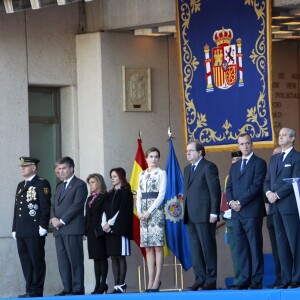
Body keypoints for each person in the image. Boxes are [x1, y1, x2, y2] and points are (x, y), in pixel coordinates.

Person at [226, 133, 267, 290]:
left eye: (247, 143)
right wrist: (231, 202)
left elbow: (256, 186)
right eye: (241, 144)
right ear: (238, 146)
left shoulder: (259, 163)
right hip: (236, 214)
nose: (244, 146)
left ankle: (256, 280)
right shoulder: (235, 165)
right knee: (241, 247)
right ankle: (244, 279)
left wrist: (240, 202)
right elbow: (229, 187)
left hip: (251, 212)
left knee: (254, 246)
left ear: (252, 144)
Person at [264, 127, 300, 289]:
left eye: (284, 135)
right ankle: (285, 279)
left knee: (295, 242)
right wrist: (268, 193)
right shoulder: (274, 159)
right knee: (281, 244)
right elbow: (266, 181)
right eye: (279, 135)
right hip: (275, 208)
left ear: (292, 139)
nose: (280, 137)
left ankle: (297, 277)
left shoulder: (297, 157)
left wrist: (277, 194)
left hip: (289, 206)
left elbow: (295, 180)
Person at [183, 141, 221, 291]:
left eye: (191, 151)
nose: (188, 153)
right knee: (195, 248)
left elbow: (215, 191)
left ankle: (211, 279)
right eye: (187, 151)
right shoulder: (187, 169)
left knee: (208, 247)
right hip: (190, 214)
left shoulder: (208, 167)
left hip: (205, 214)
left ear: (200, 152)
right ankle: (199, 278)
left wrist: (214, 212)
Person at [12, 157, 51, 298]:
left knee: (37, 260)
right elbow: (17, 209)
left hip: (35, 229)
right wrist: (14, 227)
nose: (22, 168)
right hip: (22, 230)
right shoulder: (20, 185)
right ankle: (29, 289)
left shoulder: (41, 183)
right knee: (26, 261)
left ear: (34, 168)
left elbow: (45, 207)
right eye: (21, 166)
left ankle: (37, 289)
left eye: (26, 166)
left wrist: (43, 225)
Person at [51, 157, 88, 296]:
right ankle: (67, 288)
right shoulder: (59, 186)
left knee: (75, 260)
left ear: (71, 168)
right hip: (58, 230)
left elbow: (77, 205)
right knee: (63, 261)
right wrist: (53, 218)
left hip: (72, 228)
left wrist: (62, 220)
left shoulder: (80, 185)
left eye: (63, 168)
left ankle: (77, 289)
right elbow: (53, 205)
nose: (60, 171)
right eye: (58, 169)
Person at [136, 147, 167, 292]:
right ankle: (149, 281)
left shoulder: (161, 173)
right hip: (143, 214)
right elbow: (139, 194)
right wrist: (140, 212)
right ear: (146, 158)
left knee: (157, 246)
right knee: (148, 247)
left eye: (156, 156)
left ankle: (157, 279)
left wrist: (149, 211)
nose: (154, 159)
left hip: (156, 212)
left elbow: (161, 195)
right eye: (151, 156)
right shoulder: (142, 174)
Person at [102, 168, 133, 293]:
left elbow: (122, 211)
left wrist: (109, 223)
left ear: (121, 177)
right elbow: (104, 210)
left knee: (121, 256)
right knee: (113, 256)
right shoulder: (108, 194)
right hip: (109, 230)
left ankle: (121, 284)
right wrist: (104, 223)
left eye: (114, 176)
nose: (112, 179)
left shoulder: (126, 192)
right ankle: (116, 285)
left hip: (121, 229)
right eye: (111, 176)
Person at [221, 150, 242, 288]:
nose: (236, 163)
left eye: (239, 160)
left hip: (245, 215)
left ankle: (249, 278)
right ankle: (238, 279)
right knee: (235, 250)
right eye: (234, 161)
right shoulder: (228, 177)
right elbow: (226, 196)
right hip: (231, 217)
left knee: (246, 249)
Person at [85, 174, 108, 294]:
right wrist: (85, 231)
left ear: (99, 182)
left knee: (102, 257)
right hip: (90, 231)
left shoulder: (105, 196)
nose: (91, 185)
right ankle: (97, 284)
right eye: (90, 182)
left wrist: (102, 227)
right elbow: (87, 215)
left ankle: (103, 283)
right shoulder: (90, 198)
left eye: (93, 182)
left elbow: (105, 213)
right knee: (95, 258)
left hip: (100, 231)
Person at [265, 146, 282, 288]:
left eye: (277, 154)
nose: (275, 156)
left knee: (285, 248)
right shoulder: (270, 172)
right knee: (276, 250)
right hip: (271, 216)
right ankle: (279, 278)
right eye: (273, 154)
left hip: (283, 214)